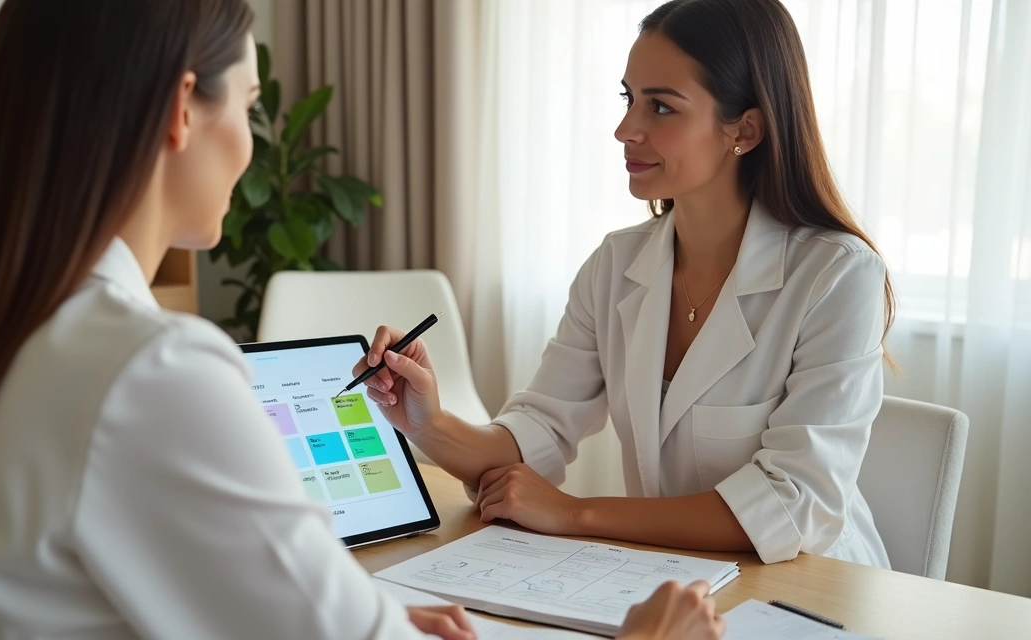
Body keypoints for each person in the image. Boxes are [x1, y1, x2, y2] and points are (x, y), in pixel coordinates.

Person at [0, 0, 725, 638]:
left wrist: (355, 616)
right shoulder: (146, 369)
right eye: (252, 107)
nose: (254, 141)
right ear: (182, 110)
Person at [357, 0, 893, 569]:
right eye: (628, 98)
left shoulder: (837, 275)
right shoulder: (615, 264)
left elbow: (794, 504)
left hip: (809, 587)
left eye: (661, 106)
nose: (625, 129)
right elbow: (539, 430)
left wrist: (574, 513)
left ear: (745, 129)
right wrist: (429, 422)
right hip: (669, 572)